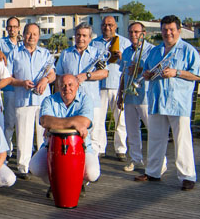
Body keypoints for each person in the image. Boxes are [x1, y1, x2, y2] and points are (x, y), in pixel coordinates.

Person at [135, 15, 200, 191]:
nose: (168, 33)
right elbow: (149, 71)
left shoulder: (188, 50)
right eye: (165, 30)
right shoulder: (155, 51)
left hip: (178, 102)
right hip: (157, 99)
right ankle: (153, 172)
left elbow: (198, 76)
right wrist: (147, 75)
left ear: (179, 31)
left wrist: (177, 73)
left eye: (171, 29)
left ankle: (187, 176)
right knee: (156, 138)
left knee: (182, 140)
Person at [29, 74, 101, 192]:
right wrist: (74, 124)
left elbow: (85, 121)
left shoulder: (85, 100)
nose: (67, 88)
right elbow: (44, 120)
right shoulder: (49, 100)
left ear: (77, 86)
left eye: (70, 85)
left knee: (92, 174)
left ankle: (79, 183)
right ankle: (55, 182)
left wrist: (55, 123)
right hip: (52, 146)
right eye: (63, 86)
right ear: (58, 87)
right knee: (35, 167)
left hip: (82, 147)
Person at [7, 23, 55, 180]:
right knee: (23, 135)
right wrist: (21, 83)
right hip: (23, 99)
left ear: (39, 36)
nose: (31, 37)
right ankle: (23, 167)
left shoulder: (46, 53)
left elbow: (53, 74)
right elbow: (7, 78)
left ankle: (44, 164)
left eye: (35, 34)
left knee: (44, 135)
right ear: (23, 34)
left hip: (43, 100)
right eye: (28, 33)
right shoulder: (14, 53)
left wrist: (45, 80)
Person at [55, 22, 108, 156]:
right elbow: (58, 77)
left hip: (91, 102)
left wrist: (87, 75)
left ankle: (91, 171)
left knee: (93, 138)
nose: (81, 38)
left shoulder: (97, 53)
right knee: (72, 137)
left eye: (84, 35)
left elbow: (104, 73)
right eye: (78, 35)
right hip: (70, 104)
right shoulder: (66, 54)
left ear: (90, 38)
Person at [91, 16, 132, 161]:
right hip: (99, 86)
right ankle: (100, 147)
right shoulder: (94, 43)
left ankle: (121, 148)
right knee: (98, 119)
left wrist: (121, 57)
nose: (107, 27)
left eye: (110, 25)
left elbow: (130, 64)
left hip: (117, 84)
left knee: (120, 119)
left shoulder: (125, 42)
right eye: (104, 25)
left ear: (115, 26)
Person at [117, 22, 153, 172]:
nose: (133, 35)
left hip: (145, 95)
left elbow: (153, 70)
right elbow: (124, 74)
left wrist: (139, 69)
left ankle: (157, 161)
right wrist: (120, 94)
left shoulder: (151, 50)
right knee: (132, 130)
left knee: (153, 130)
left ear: (143, 33)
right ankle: (135, 159)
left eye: (136, 32)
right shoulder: (126, 51)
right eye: (131, 32)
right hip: (130, 95)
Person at [0, 16, 22, 155]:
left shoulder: (23, 44)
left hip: (22, 87)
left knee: (21, 121)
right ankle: (7, 148)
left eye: (15, 27)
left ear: (19, 28)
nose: (12, 29)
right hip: (9, 87)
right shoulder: (0, 43)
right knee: (9, 121)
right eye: (10, 27)